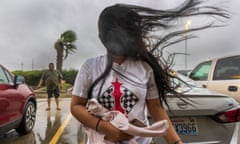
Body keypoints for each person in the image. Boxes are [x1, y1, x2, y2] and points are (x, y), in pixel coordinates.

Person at [71, 1, 229, 144]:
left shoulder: (145, 68)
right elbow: (76, 106)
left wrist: (176, 143)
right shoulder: (90, 67)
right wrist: (104, 127)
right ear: (101, 38)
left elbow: (156, 109)